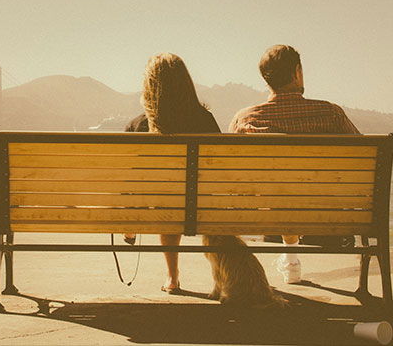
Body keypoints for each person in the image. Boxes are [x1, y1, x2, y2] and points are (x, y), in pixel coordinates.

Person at [229, 44, 359, 284]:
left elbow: (231, 175)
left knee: (278, 204)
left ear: (266, 79)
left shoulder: (244, 120)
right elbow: (362, 165)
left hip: (270, 222)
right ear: (297, 72)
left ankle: (289, 254)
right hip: (327, 223)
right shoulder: (331, 114)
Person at [124, 53, 221, 294]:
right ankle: (220, 279)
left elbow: (128, 178)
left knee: (166, 201)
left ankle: (172, 276)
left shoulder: (138, 126)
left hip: (159, 206)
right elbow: (219, 169)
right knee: (182, 198)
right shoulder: (204, 120)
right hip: (203, 205)